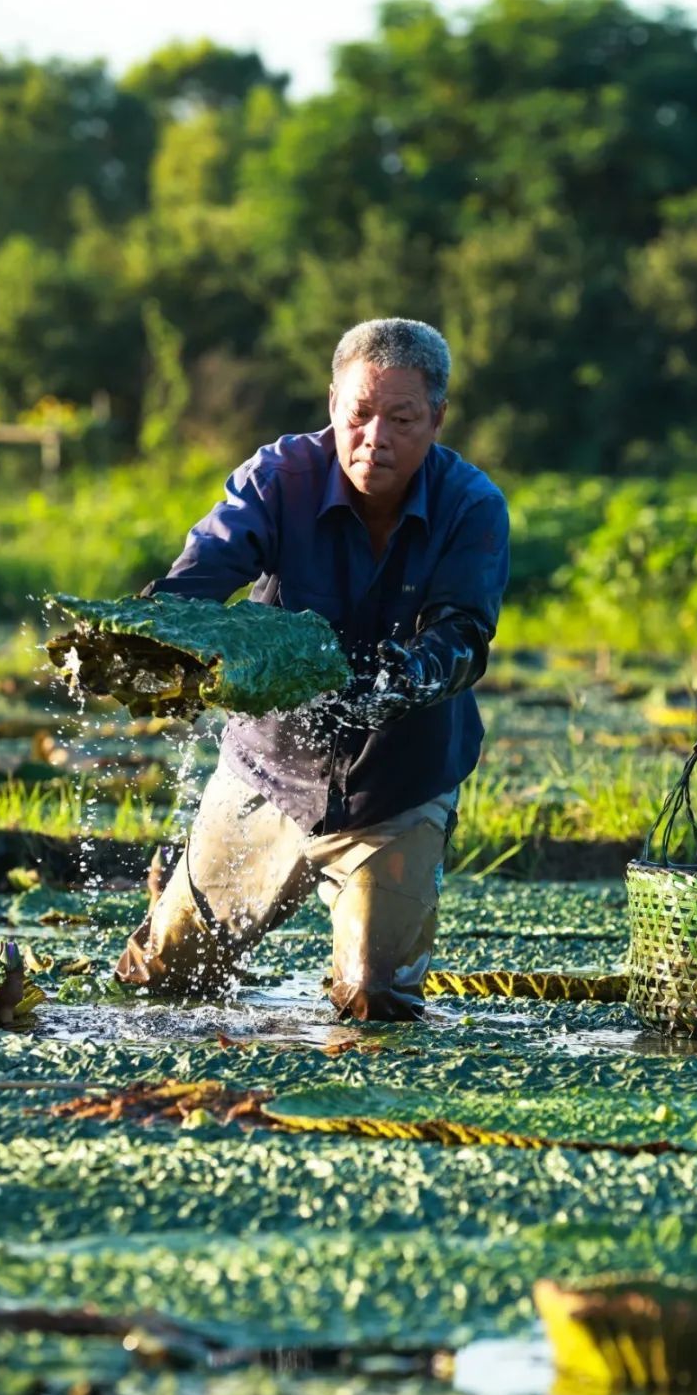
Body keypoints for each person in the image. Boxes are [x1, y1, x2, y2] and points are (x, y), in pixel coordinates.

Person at [115, 318, 510, 1021]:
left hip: (396, 783)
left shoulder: (471, 506)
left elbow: (464, 633)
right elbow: (201, 580)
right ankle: (169, 902)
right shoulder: (278, 476)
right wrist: (148, 639)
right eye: (359, 414)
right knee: (165, 981)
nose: (375, 437)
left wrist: (392, 684)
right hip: (268, 767)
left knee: (375, 998)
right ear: (332, 404)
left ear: (438, 418)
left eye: (402, 418)